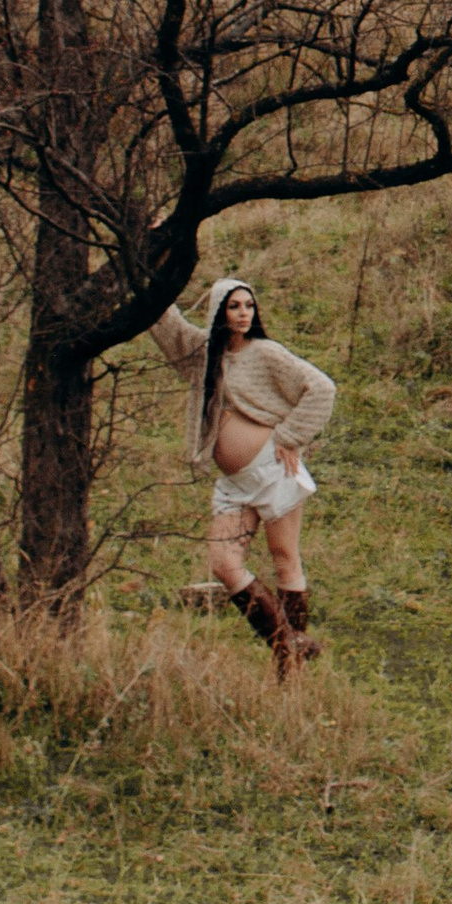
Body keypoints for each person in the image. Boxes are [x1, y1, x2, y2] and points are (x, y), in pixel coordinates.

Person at [149, 277, 336, 680]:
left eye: (249, 306)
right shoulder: (202, 355)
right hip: (235, 484)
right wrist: (153, 264)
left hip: (273, 470)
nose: (244, 313)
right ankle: (287, 643)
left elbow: (321, 388)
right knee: (223, 562)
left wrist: (290, 436)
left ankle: (288, 665)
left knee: (285, 559)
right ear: (219, 311)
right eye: (234, 306)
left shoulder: (265, 353)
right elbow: (166, 323)